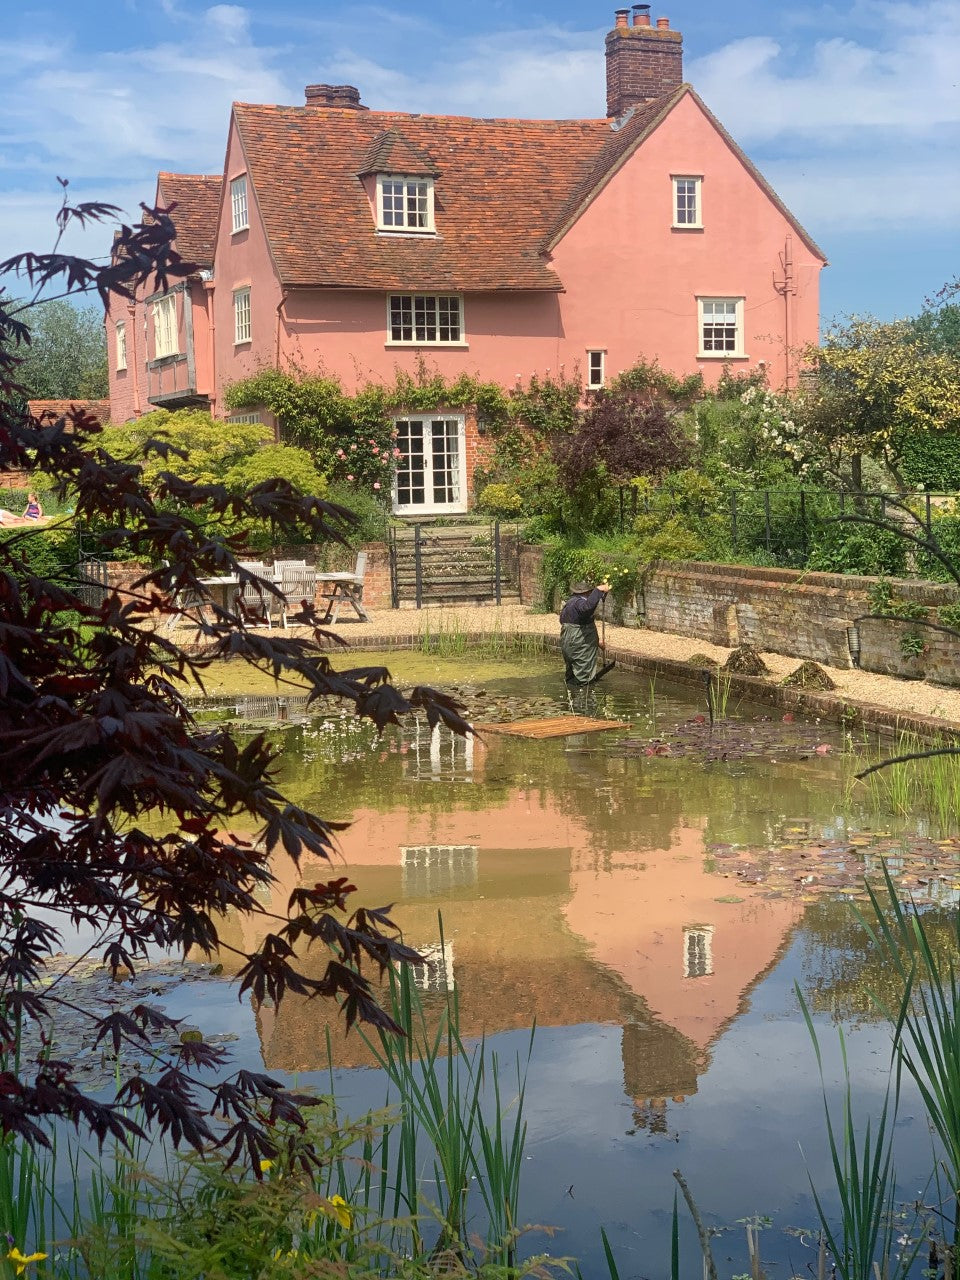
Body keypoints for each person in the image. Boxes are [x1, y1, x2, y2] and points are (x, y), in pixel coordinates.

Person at [559, 578, 611, 685]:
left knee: (572, 675)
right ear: (589, 592)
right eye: (592, 592)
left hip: (569, 645)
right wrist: (597, 591)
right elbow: (587, 609)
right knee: (583, 678)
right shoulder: (580, 603)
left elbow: (567, 623)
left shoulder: (569, 603)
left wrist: (595, 642)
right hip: (580, 647)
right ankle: (583, 699)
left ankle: (570, 698)